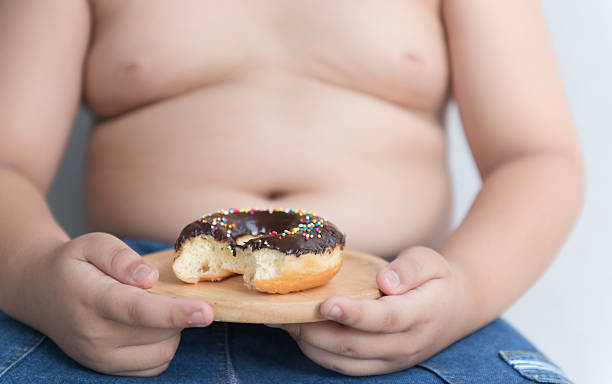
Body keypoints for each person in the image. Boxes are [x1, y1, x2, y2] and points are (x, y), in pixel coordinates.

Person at [0, 1, 584, 383]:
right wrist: (35, 277)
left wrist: (465, 293)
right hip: (119, 314)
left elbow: (534, 158)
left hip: (400, 317)